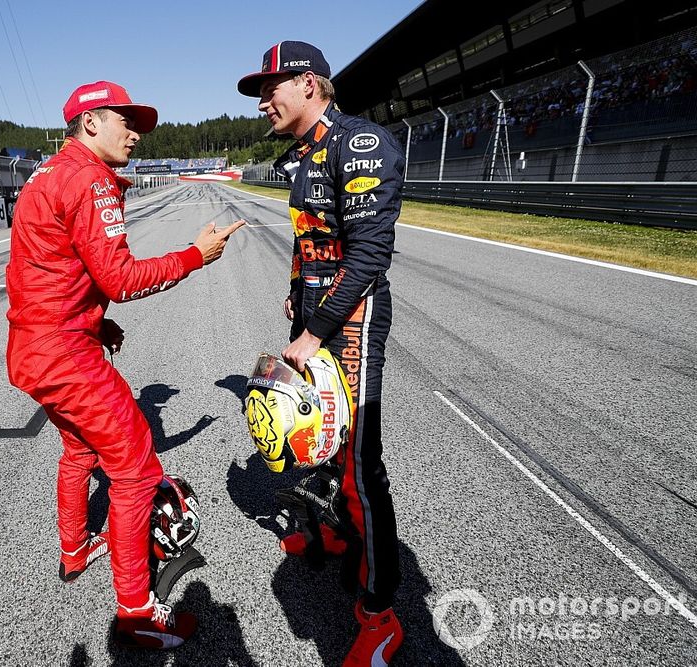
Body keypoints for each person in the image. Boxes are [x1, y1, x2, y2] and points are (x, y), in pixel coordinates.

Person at [5, 80, 245, 650]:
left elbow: (47, 265)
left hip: (33, 343)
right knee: (136, 470)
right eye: (125, 121)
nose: (135, 133)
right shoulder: (91, 180)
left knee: (80, 451)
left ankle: (74, 548)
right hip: (64, 352)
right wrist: (195, 256)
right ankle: (137, 613)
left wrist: (94, 318)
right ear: (90, 123)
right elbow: (119, 277)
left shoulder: (47, 172)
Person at [238, 41, 406, 666]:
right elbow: (309, 239)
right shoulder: (301, 154)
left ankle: (382, 614)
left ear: (309, 84)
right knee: (302, 424)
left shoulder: (360, 143)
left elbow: (367, 257)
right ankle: (337, 535)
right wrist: (294, 298)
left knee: (362, 464)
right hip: (314, 319)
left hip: (351, 324)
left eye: (270, 87)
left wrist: (314, 333)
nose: (262, 101)